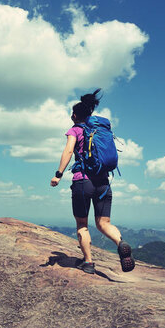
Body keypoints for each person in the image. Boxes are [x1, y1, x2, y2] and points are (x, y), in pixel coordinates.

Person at [50, 89, 135, 274]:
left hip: (83, 182)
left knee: (82, 224)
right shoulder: (99, 129)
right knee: (104, 222)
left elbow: (68, 151)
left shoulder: (75, 130)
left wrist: (58, 174)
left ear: (74, 115)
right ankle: (121, 243)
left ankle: (88, 262)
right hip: (103, 183)